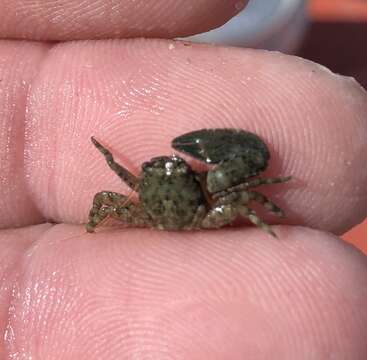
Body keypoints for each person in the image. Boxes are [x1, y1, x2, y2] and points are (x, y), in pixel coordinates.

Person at [0, 1, 366, 358]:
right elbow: (248, 195)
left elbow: (105, 194)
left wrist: (95, 224)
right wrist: (261, 211)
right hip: (202, 217)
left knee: (104, 197)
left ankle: (96, 236)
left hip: (149, 218)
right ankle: (272, 235)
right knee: (244, 198)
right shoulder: (205, 184)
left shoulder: (137, 190)